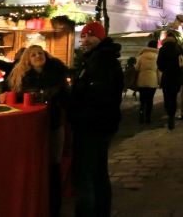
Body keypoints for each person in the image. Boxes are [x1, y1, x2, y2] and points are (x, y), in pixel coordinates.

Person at [68, 21, 123, 217]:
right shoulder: (95, 58)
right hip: (100, 123)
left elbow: (98, 96)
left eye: (91, 35)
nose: (85, 40)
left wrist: (76, 111)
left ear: (100, 37)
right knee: (98, 173)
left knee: (86, 176)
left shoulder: (101, 61)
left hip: (93, 125)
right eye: (83, 36)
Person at [8, 45, 69, 217]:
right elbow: (15, 97)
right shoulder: (21, 77)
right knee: (33, 163)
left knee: (53, 163)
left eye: (40, 53)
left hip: (54, 123)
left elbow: (65, 97)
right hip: (30, 128)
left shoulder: (57, 73)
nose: (37, 56)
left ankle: (53, 205)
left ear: (46, 55)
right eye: (33, 54)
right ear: (27, 59)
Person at [156, 31, 183, 130]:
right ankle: (172, 116)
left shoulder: (163, 49)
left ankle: (169, 113)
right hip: (177, 77)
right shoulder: (178, 48)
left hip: (167, 77)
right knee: (174, 97)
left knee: (167, 97)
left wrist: (165, 69)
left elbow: (159, 64)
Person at [135, 39, 160, 124]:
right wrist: (160, 81)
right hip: (152, 80)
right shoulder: (157, 57)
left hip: (142, 80)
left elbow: (136, 68)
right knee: (150, 100)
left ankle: (141, 117)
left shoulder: (141, 56)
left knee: (142, 100)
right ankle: (148, 118)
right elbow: (159, 71)